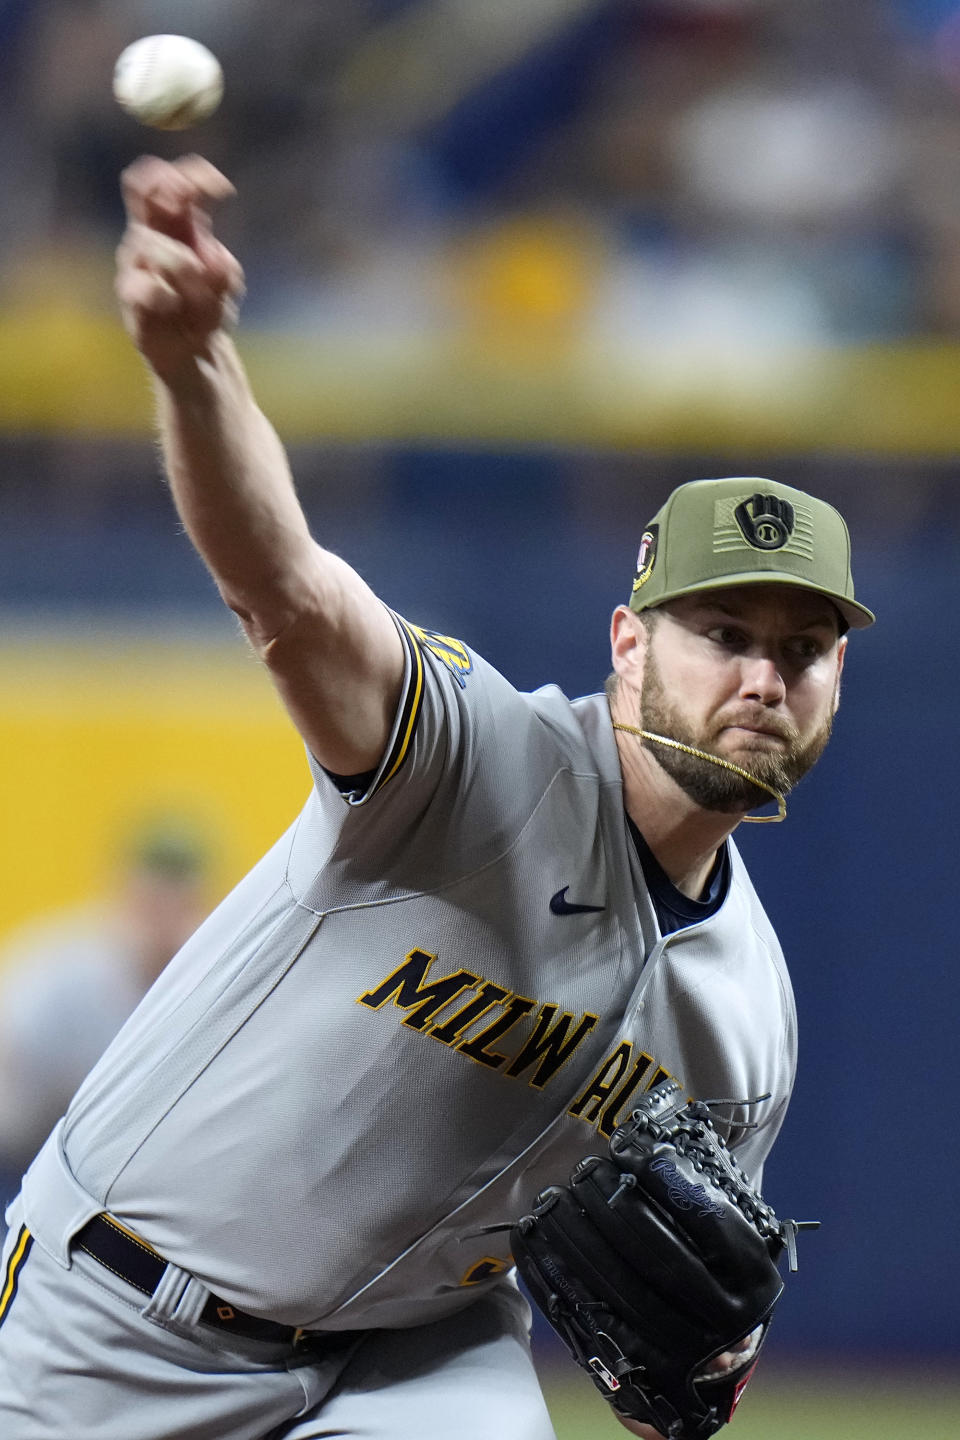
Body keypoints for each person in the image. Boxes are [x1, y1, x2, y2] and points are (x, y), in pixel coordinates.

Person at [0, 156, 874, 1440]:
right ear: (629, 645)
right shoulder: (469, 761)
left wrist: (710, 1369)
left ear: (838, 680)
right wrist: (196, 367)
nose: (759, 676)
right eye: (723, 633)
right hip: (124, 1315)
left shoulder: (749, 1014)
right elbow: (287, 589)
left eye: (799, 652)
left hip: (415, 1357)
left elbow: (684, 1362)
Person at [0, 821, 210, 1222]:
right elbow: (14, 1116)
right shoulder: (53, 980)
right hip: (24, 1163)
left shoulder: (206, 983)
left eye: (179, 902)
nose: (164, 919)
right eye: (153, 901)